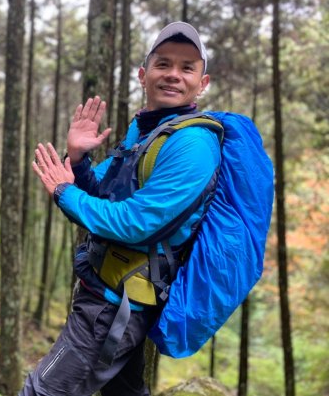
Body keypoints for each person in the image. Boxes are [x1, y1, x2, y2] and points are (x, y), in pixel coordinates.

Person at [21, 22, 220, 396]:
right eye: (163, 64)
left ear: (202, 82)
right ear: (144, 75)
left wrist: (64, 192)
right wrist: (78, 160)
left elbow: (138, 223)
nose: (173, 74)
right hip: (111, 292)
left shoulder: (192, 144)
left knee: (42, 392)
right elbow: (101, 195)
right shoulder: (146, 132)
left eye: (187, 67)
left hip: (114, 307)